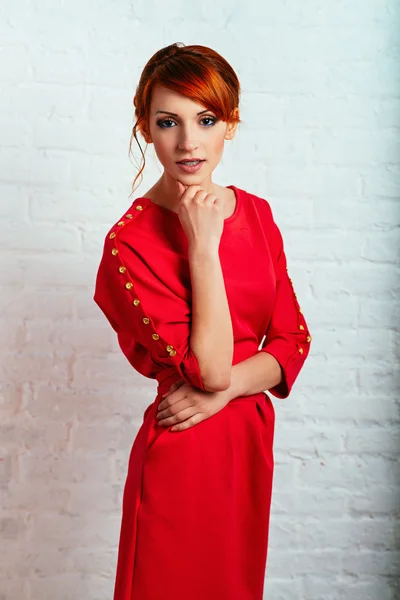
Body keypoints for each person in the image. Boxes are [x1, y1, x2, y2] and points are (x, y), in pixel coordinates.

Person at [93, 42, 312, 600]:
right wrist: (202, 245)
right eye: (168, 122)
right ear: (145, 127)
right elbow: (209, 369)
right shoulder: (129, 244)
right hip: (185, 451)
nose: (189, 142)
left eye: (205, 119)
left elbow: (292, 340)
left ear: (229, 125)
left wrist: (226, 392)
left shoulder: (258, 213)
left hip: (247, 444)